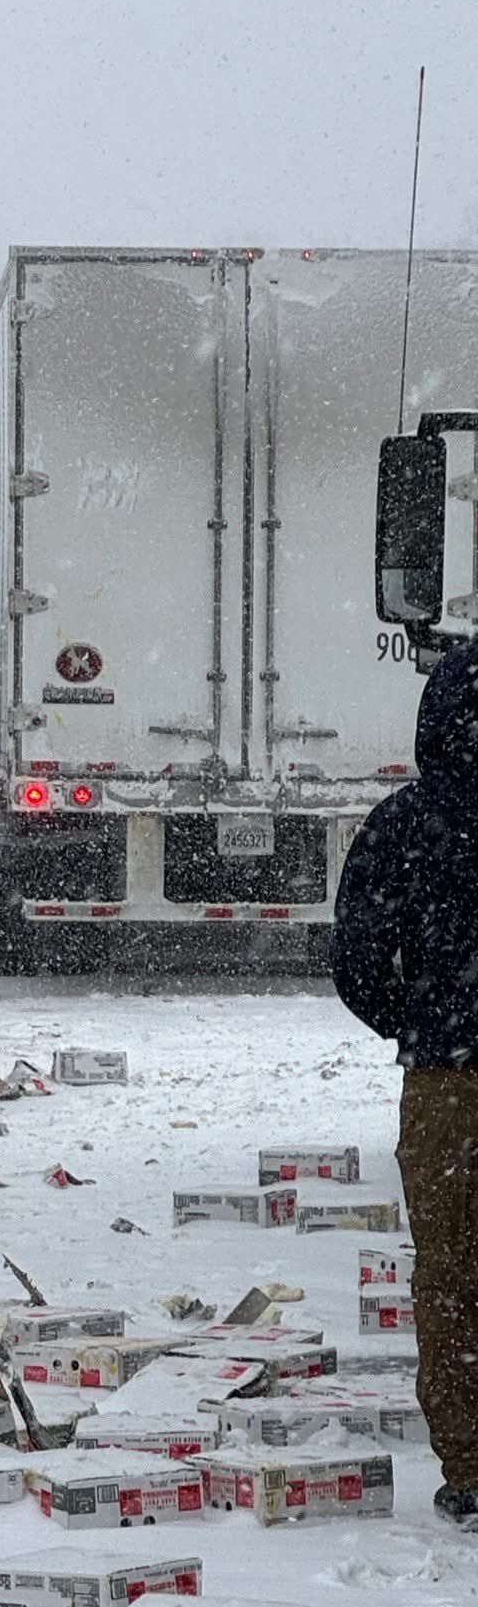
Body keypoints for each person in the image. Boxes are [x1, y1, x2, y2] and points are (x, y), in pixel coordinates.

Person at [334, 640, 478, 1526]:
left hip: (445, 1085)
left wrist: (416, 1022)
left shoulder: (403, 821)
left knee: (451, 1275)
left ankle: (467, 1463)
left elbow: (353, 956)